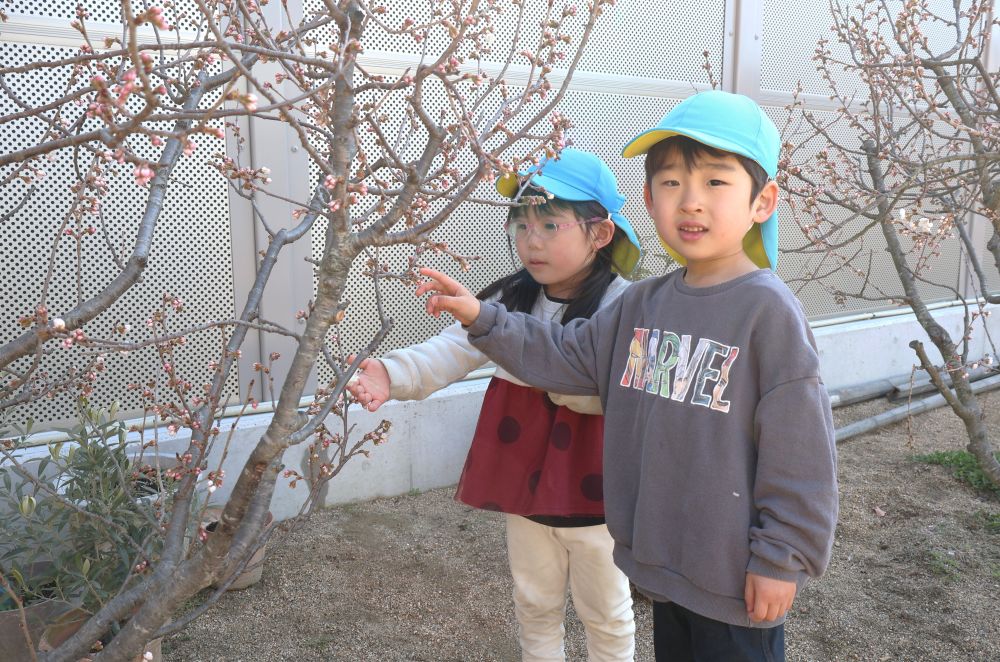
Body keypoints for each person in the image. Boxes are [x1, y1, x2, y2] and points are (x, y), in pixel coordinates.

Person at [414, 91, 839, 662]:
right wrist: (482, 317)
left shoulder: (767, 312)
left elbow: (801, 450)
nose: (690, 201)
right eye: (671, 183)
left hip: (733, 576)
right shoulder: (642, 304)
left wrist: (782, 557)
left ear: (762, 201)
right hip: (663, 568)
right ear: (648, 199)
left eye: (715, 182)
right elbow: (566, 356)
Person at [348, 148, 642, 661]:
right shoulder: (512, 297)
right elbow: (452, 348)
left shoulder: (624, 305)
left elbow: (623, 391)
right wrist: (392, 374)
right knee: (534, 599)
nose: (531, 241)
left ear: (600, 233)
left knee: (606, 611)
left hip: (596, 485)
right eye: (521, 225)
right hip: (522, 472)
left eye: (550, 225)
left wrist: (556, 383)